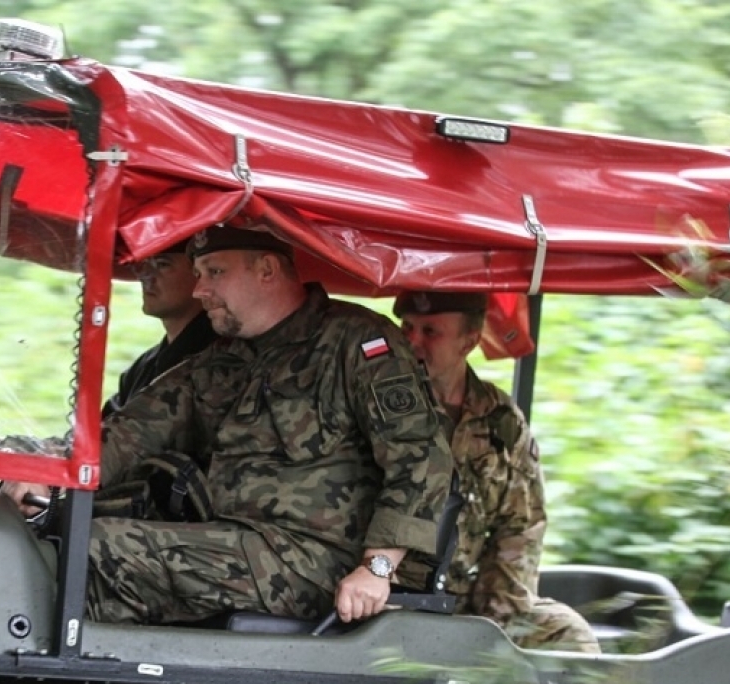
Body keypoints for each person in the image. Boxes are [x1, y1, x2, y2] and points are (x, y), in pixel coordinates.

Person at [84, 225, 454, 625]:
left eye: (214, 272)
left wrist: (378, 567)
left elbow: (422, 456)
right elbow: (134, 429)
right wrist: (54, 473)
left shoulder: (356, 342)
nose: (199, 290)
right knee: (70, 543)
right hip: (234, 544)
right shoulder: (223, 359)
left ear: (266, 270)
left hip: (318, 562)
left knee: (100, 548)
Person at [392, 290, 598, 652]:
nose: (412, 341)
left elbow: (520, 524)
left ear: (468, 341)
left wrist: (498, 619)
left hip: (470, 599)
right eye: (406, 327)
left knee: (570, 638)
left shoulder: (500, 419)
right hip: (389, 597)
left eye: (430, 331)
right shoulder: (384, 407)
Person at [103, 243, 219, 419]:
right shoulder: (144, 365)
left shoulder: (219, 361)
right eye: (144, 264)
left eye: (163, 264)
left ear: (201, 275)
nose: (145, 276)